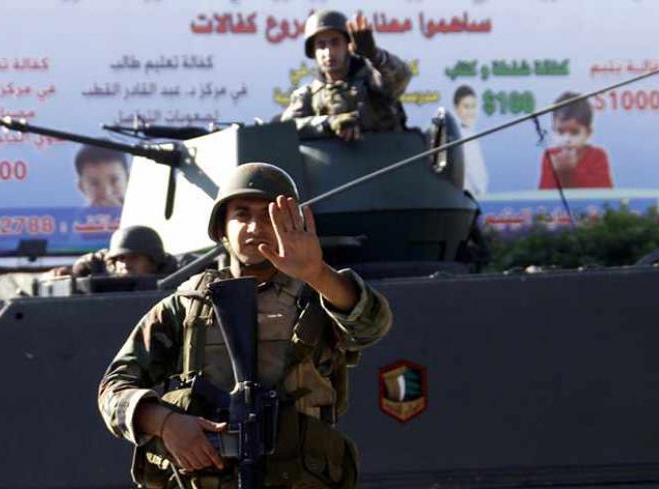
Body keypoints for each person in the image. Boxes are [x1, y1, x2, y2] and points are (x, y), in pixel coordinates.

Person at [98, 162, 393, 488]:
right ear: (221, 229)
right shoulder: (185, 307)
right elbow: (113, 389)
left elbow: (371, 326)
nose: (255, 227)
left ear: (290, 224)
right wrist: (165, 423)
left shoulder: (319, 295)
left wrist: (317, 273)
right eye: (242, 214)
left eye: (268, 216)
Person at [280, 10, 412, 141]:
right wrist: (329, 122)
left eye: (335, 43)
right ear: (313, 52)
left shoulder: (372, 81)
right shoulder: (307, 96)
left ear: (348, 46)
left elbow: (402, 76)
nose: (328, 52)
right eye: (321, 45)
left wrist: (374, 54)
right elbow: (285, 129)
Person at [538, 92, 614, 189]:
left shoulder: (598, 156)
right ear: (553, 129)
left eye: (574, 132)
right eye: (560, 132)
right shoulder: (550, 156)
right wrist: (559, 171)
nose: (567, 139)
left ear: (588, 133)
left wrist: (570, 171)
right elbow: (545, 194)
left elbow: (604, 192)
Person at [70, 225, 177, 277]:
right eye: (121, 258)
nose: (125, 264)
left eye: (134, 257)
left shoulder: (176, 284)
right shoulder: (109, 283)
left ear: (154, 262)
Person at [453, 85, 488, 197]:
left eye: (473, 106)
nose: (470, 111)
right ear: (457, 108)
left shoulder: (470, 134)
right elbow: (476, 177)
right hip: (468, 198)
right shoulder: (461, 136)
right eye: (466, 107)